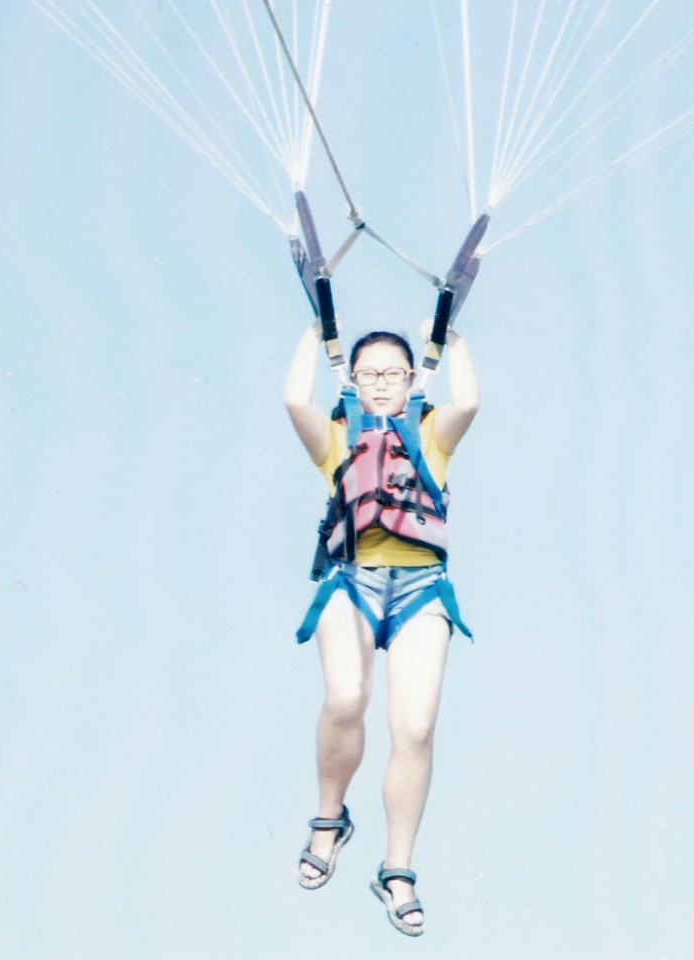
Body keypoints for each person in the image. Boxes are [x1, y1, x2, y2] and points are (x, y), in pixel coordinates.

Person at [284, 322, 479, 937]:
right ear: (354, 382)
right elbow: (295, 401)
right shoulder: (338, 439)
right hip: (352, 579)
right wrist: (314, 336)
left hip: (422, 588)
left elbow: (469, 401)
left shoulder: (431, 434)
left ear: (413, 379)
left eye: (394, 373)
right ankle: (328, 819)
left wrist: (455, 340)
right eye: (369, 374)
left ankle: (397, 870)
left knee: (414, 728)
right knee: (347, 697)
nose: (381, 383)